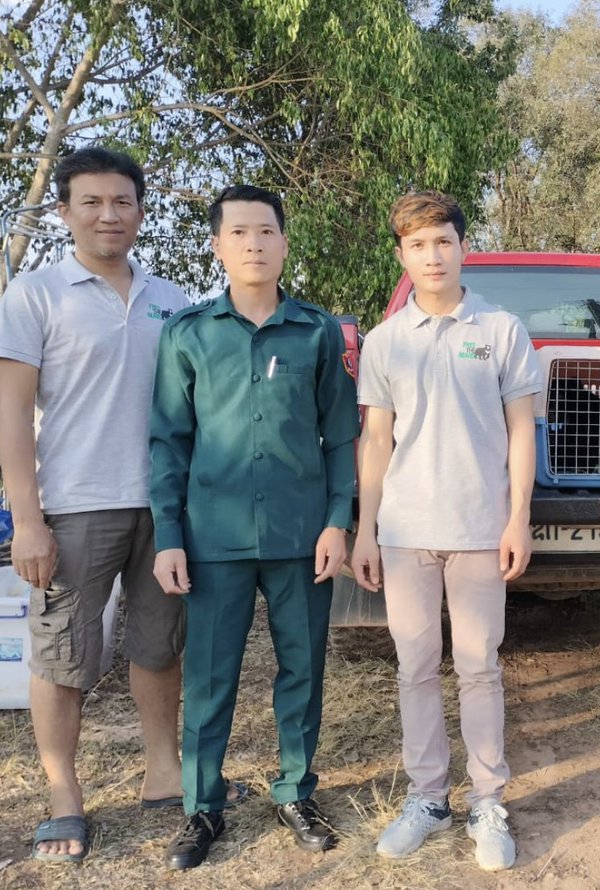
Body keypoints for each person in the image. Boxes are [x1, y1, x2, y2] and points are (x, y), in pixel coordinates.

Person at [149, 185, 360, 869]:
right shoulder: (188, 333)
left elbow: (341, 436)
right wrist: (169, 535)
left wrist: (337, 522)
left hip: (302, 538)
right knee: (210, 678)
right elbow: (169, 441)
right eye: (238, 232)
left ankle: (295, 792)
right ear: (217, 245)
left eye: (266, 231)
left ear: (285, 242)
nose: (253, 244)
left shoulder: (316, 331)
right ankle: (202, 806)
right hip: (215, 539)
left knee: (303, 670)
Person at [0, 147, 192, 862]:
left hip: (164, 506)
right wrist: (27, 519)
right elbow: (11, 414)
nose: (109, 214)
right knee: (62, 655)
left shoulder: (172, 300)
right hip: (74, 506)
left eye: (122, 201)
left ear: (140, 211)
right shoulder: (36, 295)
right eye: (92, 202)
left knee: (159, 644)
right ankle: (63, 797)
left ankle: (164, 773)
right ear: (65, 212)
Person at [350, 191, 540, 872]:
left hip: (480, 528)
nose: (432, 256)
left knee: (480, 666)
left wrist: (518, 517)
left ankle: (488, 801)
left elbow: (522, 431)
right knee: (415, 666)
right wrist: (366, 530)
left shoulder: (501, 329)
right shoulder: (385, 340)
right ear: (401, 255)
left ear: (463, 248)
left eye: (443, 242)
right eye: (417, 245)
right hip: (405, 532)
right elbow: (376, 440)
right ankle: (428, 799)